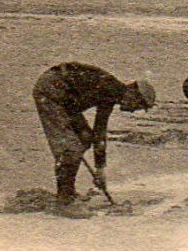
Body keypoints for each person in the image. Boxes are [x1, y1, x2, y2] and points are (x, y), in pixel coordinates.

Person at [31, 63, 156, 212]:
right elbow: (100, 131)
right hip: (51, 92)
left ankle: (68, 191)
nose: (133, 111)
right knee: (70, 148)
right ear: (133, 93)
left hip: (65, 98)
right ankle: (64, 198)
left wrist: (100, 169)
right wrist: (100, 169)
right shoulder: (110, 89)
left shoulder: (113, 92)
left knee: (84, 138)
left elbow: (98, 132)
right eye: (138, 106)